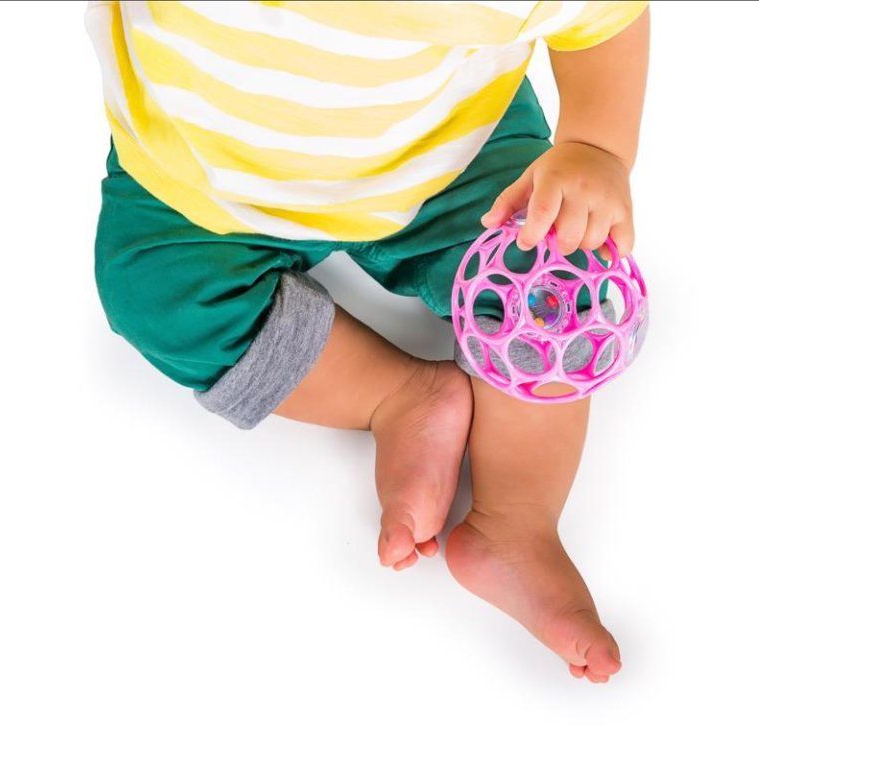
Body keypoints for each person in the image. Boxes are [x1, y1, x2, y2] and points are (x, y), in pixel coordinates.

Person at [87, 0, 650, 683]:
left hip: (447, 154)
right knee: (156, 291)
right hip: (200, 176)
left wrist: (596, 147)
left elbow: (605, 15)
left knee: (554, 289)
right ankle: (395, 395)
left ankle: (517, 518)